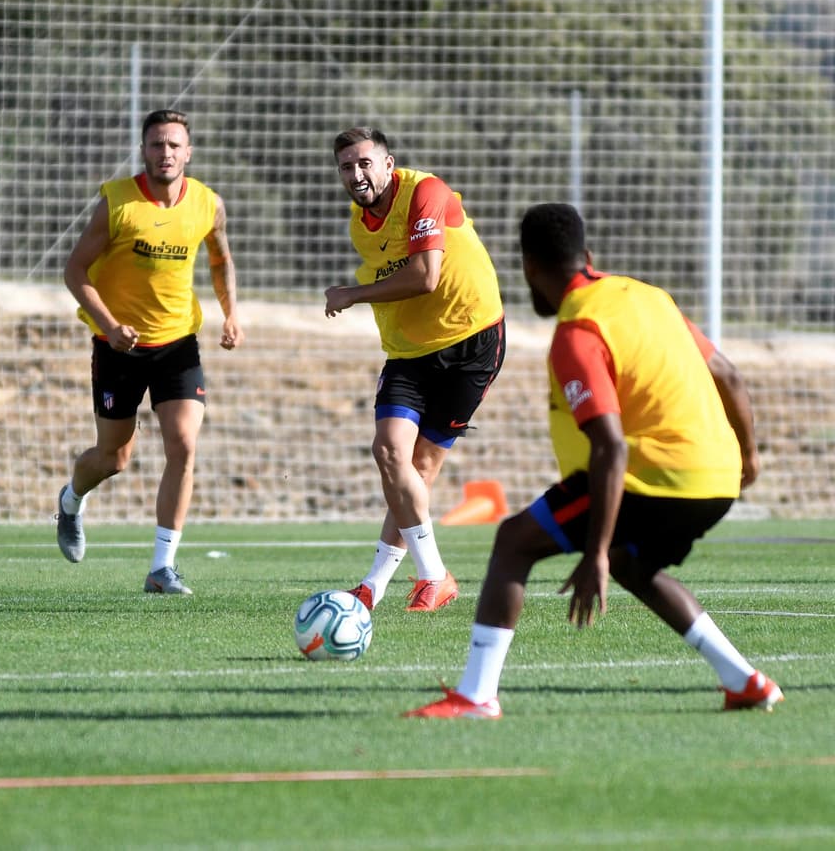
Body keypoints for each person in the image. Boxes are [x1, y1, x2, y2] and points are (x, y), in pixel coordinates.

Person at [407, 203, 781, 719]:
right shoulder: (651, 298)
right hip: (717, 478)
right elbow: (730, 375)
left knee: (515, 541)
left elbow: (611, 448)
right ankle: (746, 681)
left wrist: (595, 552)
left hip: (654, 477)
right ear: (588, 255)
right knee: (636, 566)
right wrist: (751, 458)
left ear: (529, 269)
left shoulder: (577, 332)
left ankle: (475, 697)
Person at [56, 109, 243, 595]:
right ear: (144, 150)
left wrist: (231, 314)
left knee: (183, 444)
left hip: (178, 344)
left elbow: (221, 258)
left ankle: (162, 567)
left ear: (189, 152)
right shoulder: (117, 202)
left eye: (175, 145)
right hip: (117, 346)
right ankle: (72, 499)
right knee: (114, 458)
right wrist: (110, 325)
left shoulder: (207, 203)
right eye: (157, 144)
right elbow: (75, 270)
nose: (166, 153)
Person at [324, 127, 505, 613]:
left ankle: (376, 584)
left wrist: (351, 294)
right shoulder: (359, 223)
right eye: (346, 166)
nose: (356, 174)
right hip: (408, 353)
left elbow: (426, 277)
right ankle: (430, 576)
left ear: (389, 164)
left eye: (365, 163)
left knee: (421, 465)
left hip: (471, 343)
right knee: (389, 452)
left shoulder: (426, 191)